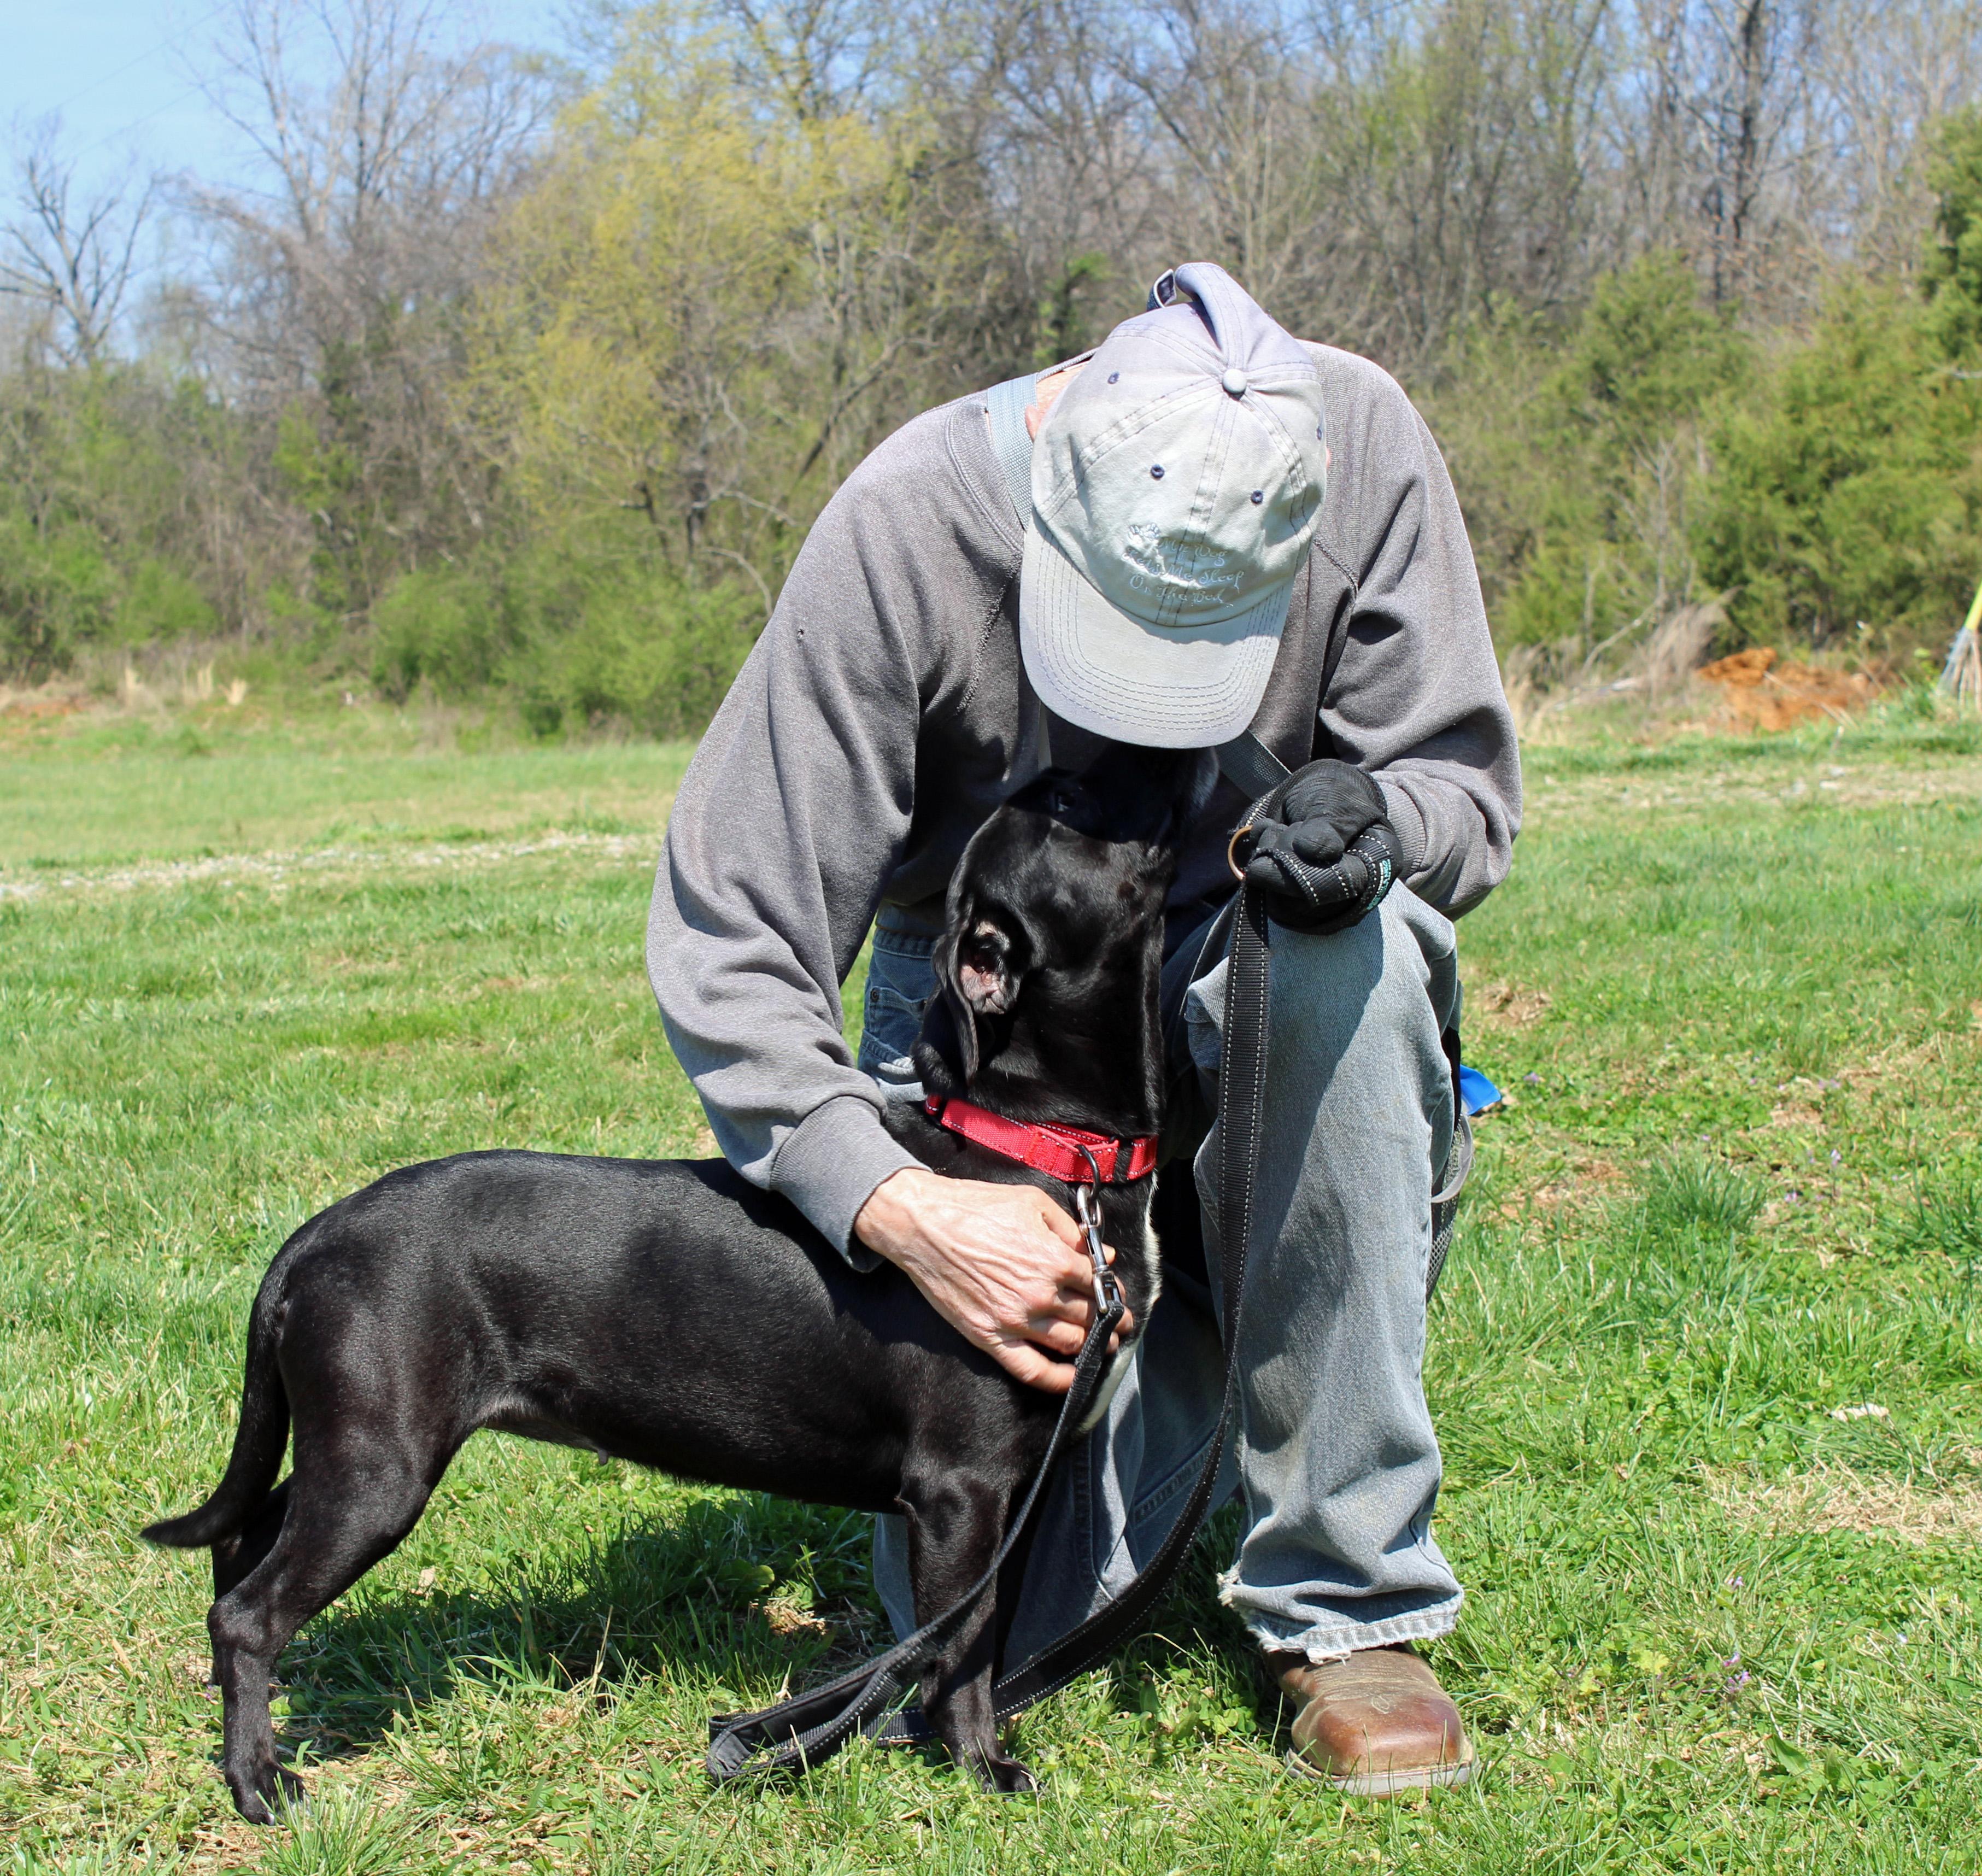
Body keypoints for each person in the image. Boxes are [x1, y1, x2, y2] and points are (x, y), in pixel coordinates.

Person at [648, 262, 1521, 1794]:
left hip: (1250, 963)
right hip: (989, 1029)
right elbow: (733, 932)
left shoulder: (1364, 442)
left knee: (1358, 955)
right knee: (983, 1623)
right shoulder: (906, 527)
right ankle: (1175, 1335)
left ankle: (1345, 1600)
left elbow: (1463, 795)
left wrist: (1378, 820)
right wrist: (900, 1205)